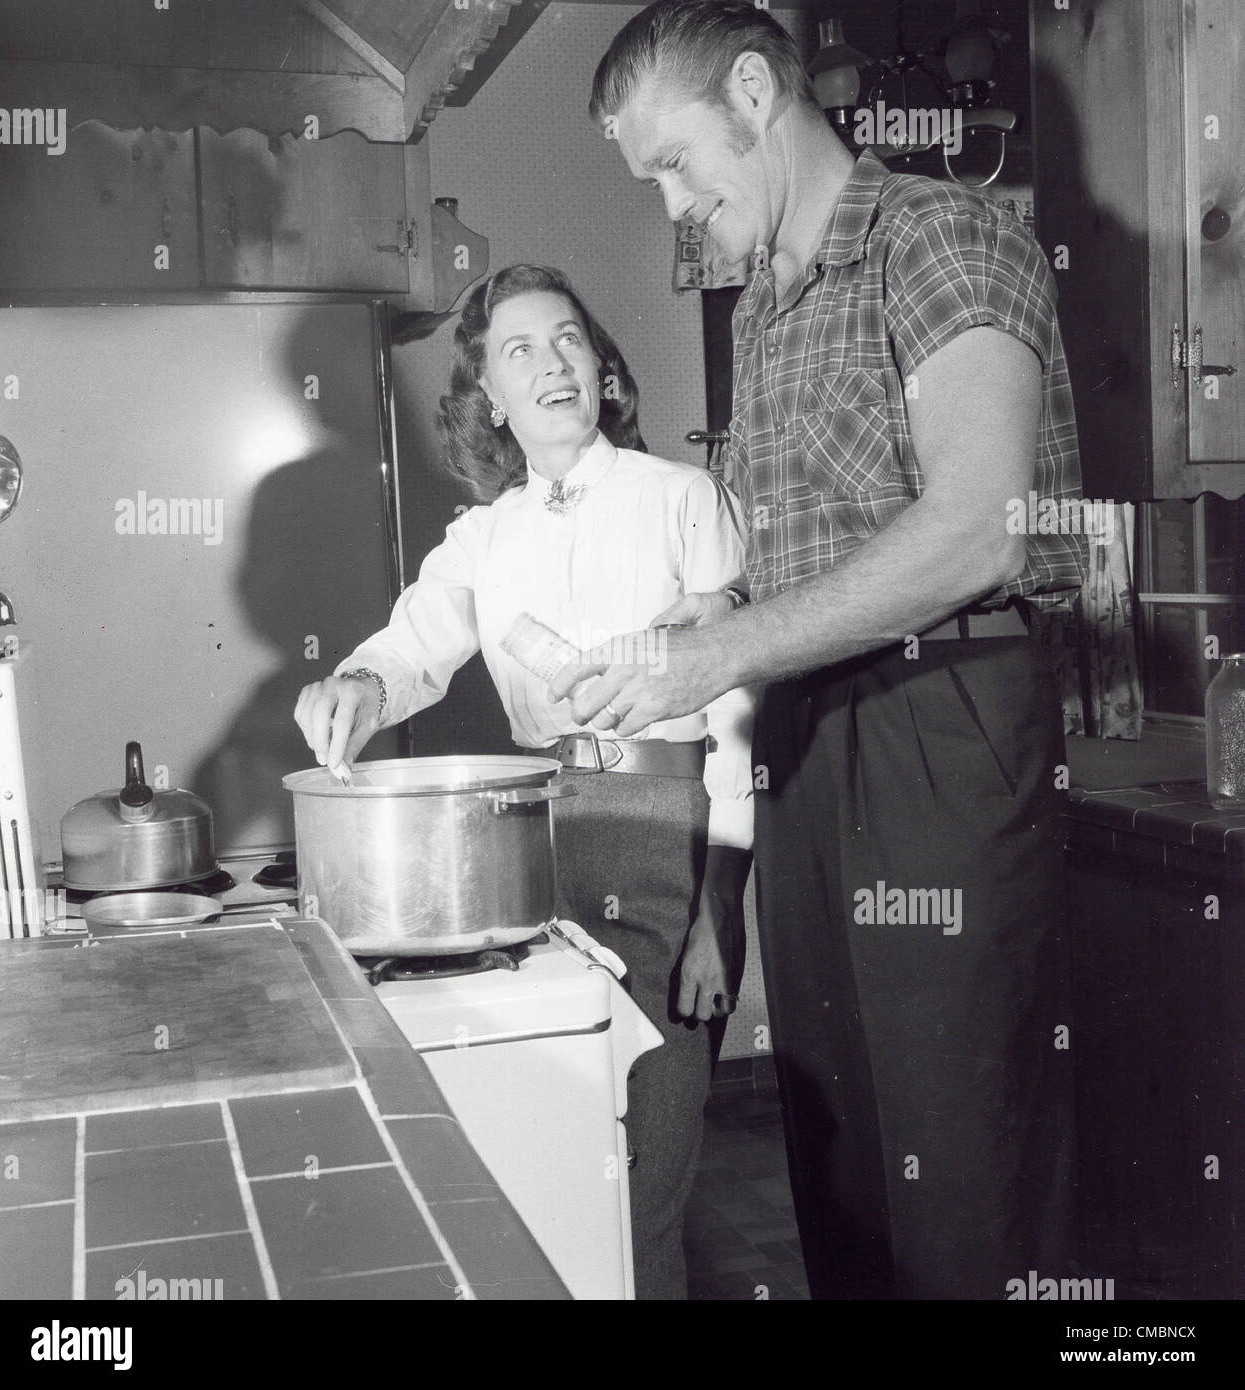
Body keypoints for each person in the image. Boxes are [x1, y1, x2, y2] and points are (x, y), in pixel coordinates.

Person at [559, 0, 1090, 1299]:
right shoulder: (767, 306)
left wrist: (736, 638)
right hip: (809, 737)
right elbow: (816, 552)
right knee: (841, 1163)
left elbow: (978, 529)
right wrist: (708, 618)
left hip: (940, 723)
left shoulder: (940, 233)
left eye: (675, 165)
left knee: (962, 1182)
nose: (673, 207)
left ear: (753, 92)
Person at [293, 263, 755, 1300]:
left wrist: (718, 907)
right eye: (517, 350)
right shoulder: (482, 537)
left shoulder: (686, 500)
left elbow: (739, 709)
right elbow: (412, 646)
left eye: (566, 339)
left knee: (648, 1177)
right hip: (533, 849)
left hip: (664, 841)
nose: (549, 362)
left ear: (603, 367)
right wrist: (358, 684)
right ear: (490, 400)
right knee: (556, 1154)